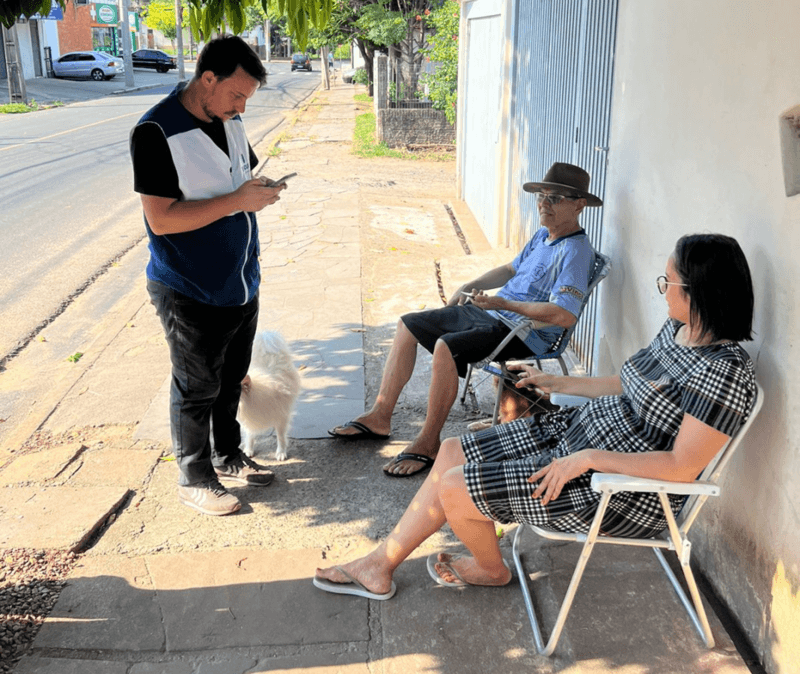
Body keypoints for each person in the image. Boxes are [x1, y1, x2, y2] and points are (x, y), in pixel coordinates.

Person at [314, 233, 756, 599]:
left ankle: (491, 569)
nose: (663, 289)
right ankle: (379, 564)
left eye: (670, 282)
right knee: (452, 451)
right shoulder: (679, 330)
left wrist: (587, 459)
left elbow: (681, 467)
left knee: (455, 487)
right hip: (576, 440)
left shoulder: (724, 373)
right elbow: (628, 381)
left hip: (616, 491)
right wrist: (558, 384)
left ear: (698, 292)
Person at [329, 162, 602, 478]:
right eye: (542, 196)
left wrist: (502, 302)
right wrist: (471, 285)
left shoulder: (577, 252)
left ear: (579, 204)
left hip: (521, 329)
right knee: (407, 324)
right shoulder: (543, 236)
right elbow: (512, 270)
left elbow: (564, 315)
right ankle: (380, 415)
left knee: (447, 346)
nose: (543, 204)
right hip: (495, 314)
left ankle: (428, 442)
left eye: (555, 198)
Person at [130, 35, 287, 516]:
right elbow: (161, 219)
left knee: (231, 377)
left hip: (240, 278)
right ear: (208, 78)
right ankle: (194, 477)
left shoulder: (230, 119)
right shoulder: (157, 130)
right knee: (196, 385)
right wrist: (238, 201)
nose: (241, 107)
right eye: (236, 95)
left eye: (247, 100)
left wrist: (257, 190)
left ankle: (227, 454)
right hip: (189, 285)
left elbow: (238, 175)